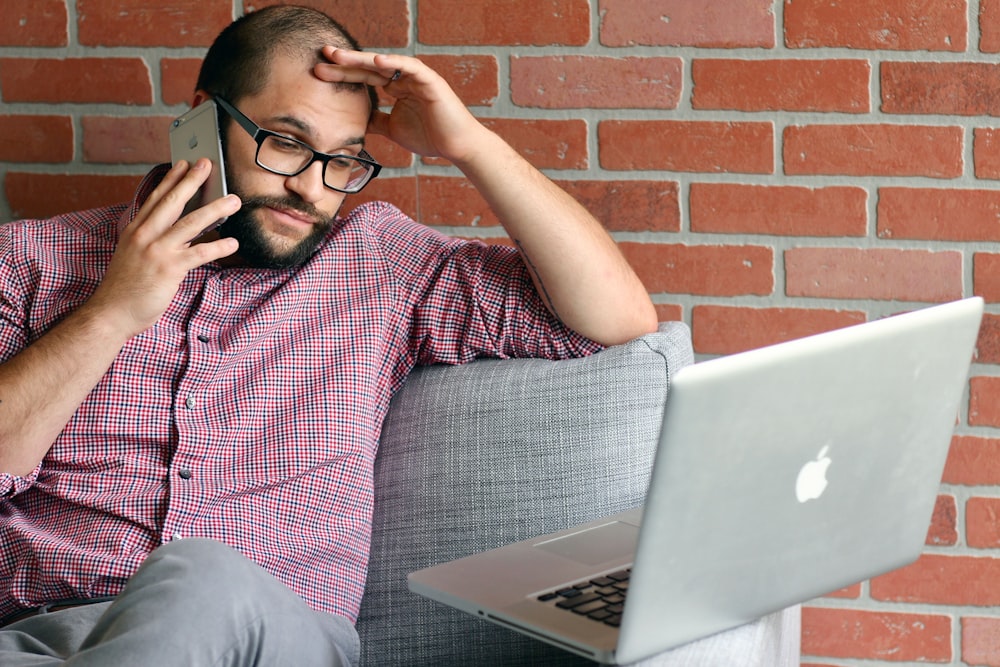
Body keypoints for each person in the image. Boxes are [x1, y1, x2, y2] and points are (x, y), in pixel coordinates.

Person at [0, 5, 657, 665]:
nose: (311, 189)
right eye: (285, 142)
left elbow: (615, 317)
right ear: (204, 118)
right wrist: (111, 312)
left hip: (268, 639)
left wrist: (469, 144)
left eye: (343, 162)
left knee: (198, 576)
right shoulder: (30, 260)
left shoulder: (379, 266)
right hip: (36, 638)